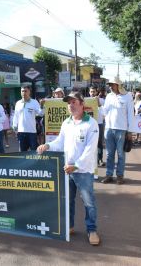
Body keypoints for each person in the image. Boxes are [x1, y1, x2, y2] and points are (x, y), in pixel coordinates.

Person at [37, 92, 100, 246]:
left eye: (74, 102)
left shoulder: (91, 124)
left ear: (81, 104)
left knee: (88, 202)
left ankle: (92, 230)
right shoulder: (66, 123)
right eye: (69, 103)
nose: (71, 105)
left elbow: (90, 150)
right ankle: (70, 226)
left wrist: (76, 165)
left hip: (83, 171)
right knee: (68, 201)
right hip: (67, 170)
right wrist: (48, 145)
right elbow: (60, 142)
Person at [101, 81, 134, 185]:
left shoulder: (127, 96)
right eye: (109, 85)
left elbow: (130, 114)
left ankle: (120, 176)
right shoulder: (109, 96)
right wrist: (96, 105)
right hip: (109, 129)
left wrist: (130, 131)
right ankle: (109, 175)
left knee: (120, 154)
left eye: (112, 85)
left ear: (118, 85)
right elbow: (104, 111)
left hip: (121, 129)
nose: (110, 86)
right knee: (109, 154)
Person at [12, 86, 43, 151]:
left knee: (34, 152)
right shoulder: (18, 103)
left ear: (29, 92)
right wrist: (15, 128)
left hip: (31, 132)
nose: (24, 93)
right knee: (22, 153)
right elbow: (16, 116)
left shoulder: (34, 102)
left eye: (25, 91)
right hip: (21, 132)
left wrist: (42, 106)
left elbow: (41, 113)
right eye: (22, 91)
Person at [89, 87, 105, 167]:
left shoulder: (101, 100)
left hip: (99, 123)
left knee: (99, 142)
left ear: (96, 92)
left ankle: (100, 159)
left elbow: (103, 111)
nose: (92, 93)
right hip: (88, 125)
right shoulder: (86, 100)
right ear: (89, 92)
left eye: (94, 91)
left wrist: (97, 100)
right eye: (91, 91)